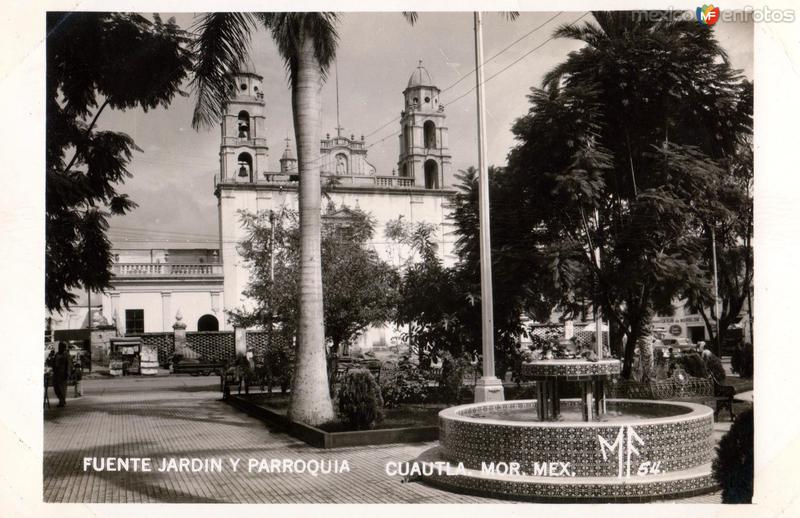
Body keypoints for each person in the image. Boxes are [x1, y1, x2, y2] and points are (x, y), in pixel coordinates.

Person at [51, 341, 72, 408]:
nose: (60, 348)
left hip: (63, 374)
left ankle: (62, 402)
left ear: (64, 347)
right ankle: (62, 401)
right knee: (56, 388)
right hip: (56, 373)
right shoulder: (57, 354)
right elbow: (53, 363)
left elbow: (69, 365)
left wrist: (68, 373)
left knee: (62, 389)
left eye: (62, 346)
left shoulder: (67, 355)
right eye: (59, 346)